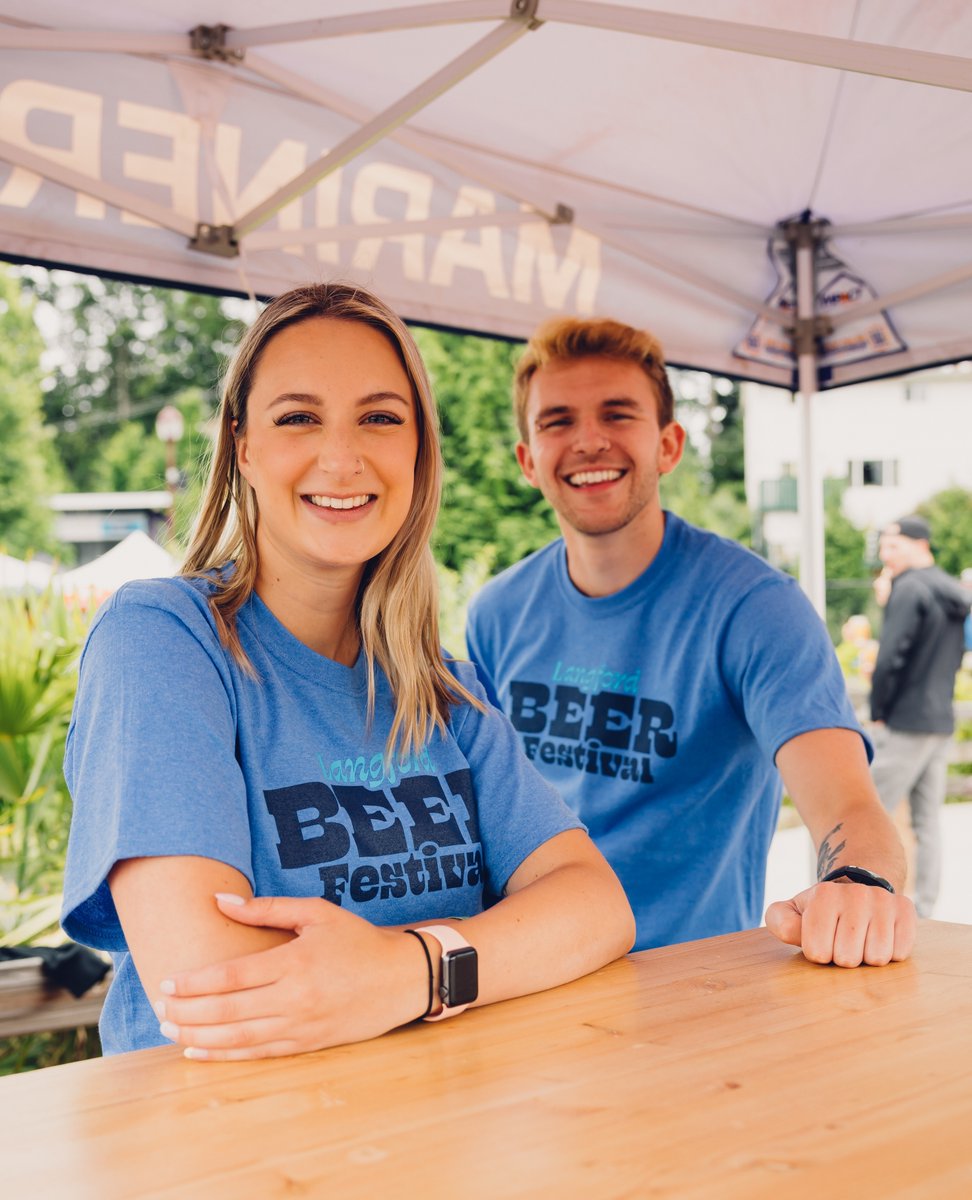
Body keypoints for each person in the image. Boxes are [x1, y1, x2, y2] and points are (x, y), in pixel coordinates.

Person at [61, 284, 635, 1060]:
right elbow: (218, 989)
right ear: (242, 446)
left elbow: (597, 908)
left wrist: (410, 971)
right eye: (298, 417)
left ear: (417, 450)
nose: (342, 456)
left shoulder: (442, 689)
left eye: (380, 418)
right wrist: (485, 959)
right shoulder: (164, 639)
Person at [466, 316, 917, 966]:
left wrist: (858, 884)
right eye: (557, 421)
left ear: (669, 446)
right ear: (527, 460)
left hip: (689, 989)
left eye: (618, 414)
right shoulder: (495, 612)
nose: (588, 440)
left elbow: (847, 801)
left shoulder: (756, 606)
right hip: (525, 975)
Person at [869, 515, 970, 918]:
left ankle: (873, 911)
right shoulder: (953, 591)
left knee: (869, 815)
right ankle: (924, 910)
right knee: (927, 823)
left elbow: (891, 656)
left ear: (918, 544)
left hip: (907, 720)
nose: (885, 555)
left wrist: (878, 710)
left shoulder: (909, 588)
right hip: (939, 720)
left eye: (893, 546)